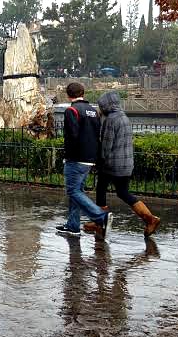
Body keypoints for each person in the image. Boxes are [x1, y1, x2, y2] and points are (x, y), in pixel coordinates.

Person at [83, 91, 160, 237]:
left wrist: (99, 161)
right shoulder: (123, 116)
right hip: (126, 163)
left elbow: (106, 145)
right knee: (123, 192)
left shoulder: (111, 119)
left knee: (101, 189)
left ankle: (100, 222)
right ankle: (150, 219)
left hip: (112, 164)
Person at [55, 82, 114, 238]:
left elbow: (71, 137)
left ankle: (101, 217)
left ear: (68, 95)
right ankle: (73, 226)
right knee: (77, 192)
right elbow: (96, 135)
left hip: (76, 159)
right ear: (83, 93)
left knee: (73, 191)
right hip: (89, 158)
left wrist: (68, 156)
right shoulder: (93, 111)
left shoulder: (71, 111)